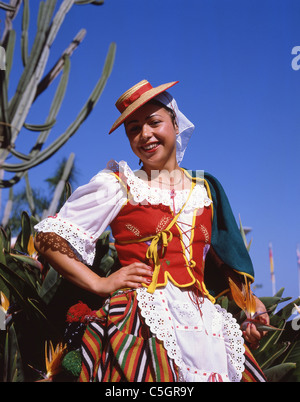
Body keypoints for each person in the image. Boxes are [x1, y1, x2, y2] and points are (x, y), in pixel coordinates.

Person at [34, 79, 269, 382]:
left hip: (208, 329)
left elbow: (223, 264)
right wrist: (99, 283)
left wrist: (252, 305)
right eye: (133, 129)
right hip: (142, 321)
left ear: (175, 122)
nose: (144, 134)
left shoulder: (206, 189)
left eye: (154, 122)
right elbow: (48, 238)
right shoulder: (119, 184)